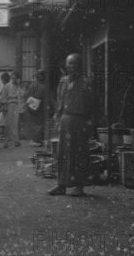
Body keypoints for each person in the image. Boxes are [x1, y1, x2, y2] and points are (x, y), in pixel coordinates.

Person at [49, 54, 92, 197]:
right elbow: (59, 101)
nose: (70, 66)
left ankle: (79, 186)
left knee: (80, 152)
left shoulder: (84, 81)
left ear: (79, 66)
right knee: (63, 153)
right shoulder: (63, 81)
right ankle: (61, 185)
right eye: (68, 64)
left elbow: (91, 103)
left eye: (73, 63)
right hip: (65, 119)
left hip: (80, 120)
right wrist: (57, 117)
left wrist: (89, 121)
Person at [25, 69, 52, 146]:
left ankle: (35, 140)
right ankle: (38, 140)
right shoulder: (45, 86)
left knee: (34, 123)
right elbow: (49, 98)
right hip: (41, 107)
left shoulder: (31, 85)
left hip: (31, 105)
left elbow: (26, 96)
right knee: (40, 124)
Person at [0, 71, 26, 148]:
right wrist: (3, 106)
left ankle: (16, 141)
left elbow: (23, 95)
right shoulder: (7, 86)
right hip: (8, 105)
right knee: (7, 124)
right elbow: (3, 97)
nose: (13, 79)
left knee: (16, 124)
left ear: (18, 79)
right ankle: (7, 141)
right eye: (12, 77)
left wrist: (20, 85)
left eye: (15, 78)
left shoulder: (20, 87)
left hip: (17, 106)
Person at [0, 72, 10, 139]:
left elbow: (2, 97)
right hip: (8, 105)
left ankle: (5, 135)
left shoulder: (5, 86)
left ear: (3, 80)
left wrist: (0, 103)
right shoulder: (9, 85)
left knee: (3, 121)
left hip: (5, 105)